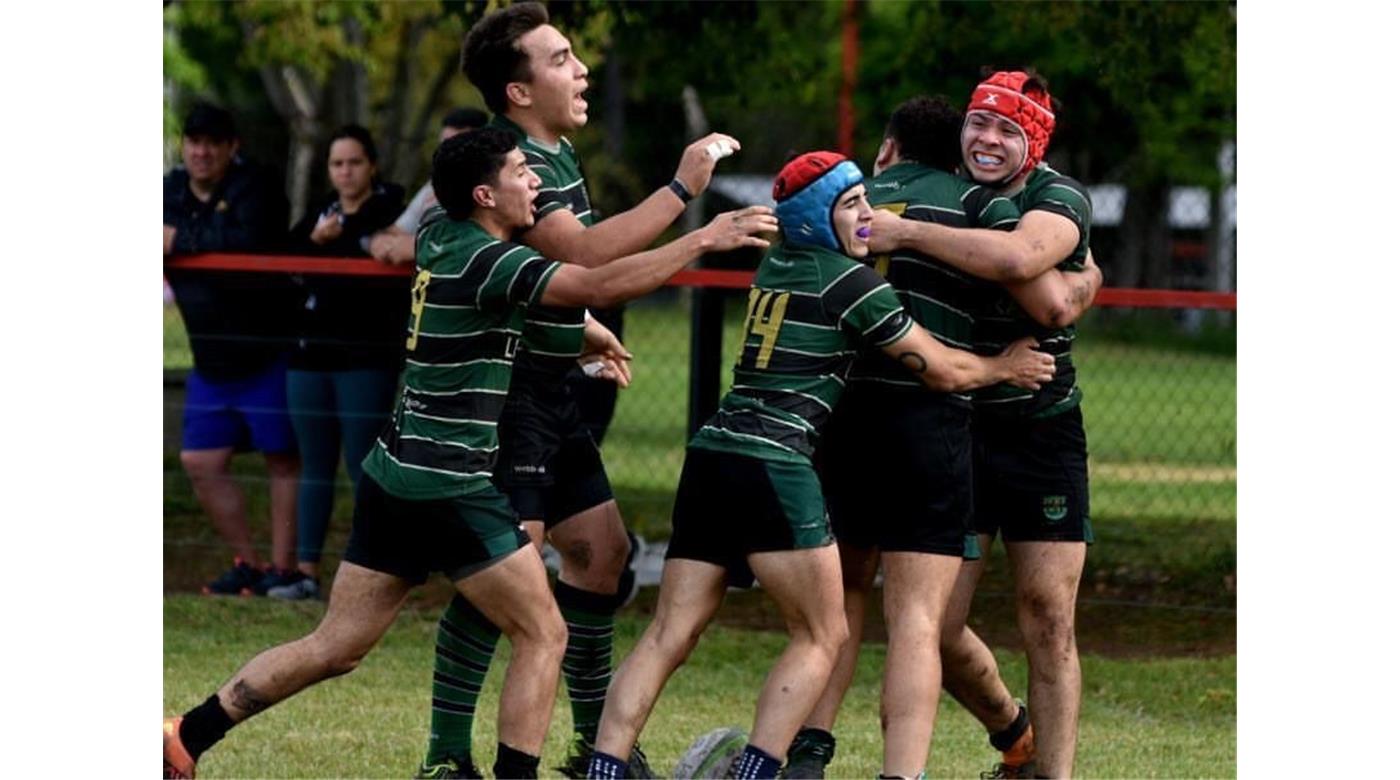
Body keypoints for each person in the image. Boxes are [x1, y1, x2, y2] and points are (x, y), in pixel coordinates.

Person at [162, 127, 777, 780]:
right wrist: (700, 233)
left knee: (335, 646)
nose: (534, 179)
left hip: (394, 473)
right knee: (544, 634)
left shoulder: (441, 234)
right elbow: (597, 282)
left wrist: (583, 335)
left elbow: (519, 310)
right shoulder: (493, 262)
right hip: (453, 486)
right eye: (520, 171)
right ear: (485, 193)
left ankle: (186, 736)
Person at [586, 152, 1056, 780]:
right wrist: (1005, 367)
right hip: (773, 462)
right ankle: (757, 772)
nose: (869, 217)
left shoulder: (775, 265)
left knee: (669, 632)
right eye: (852, 206)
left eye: (866, 200)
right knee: (824, 635)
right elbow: (940, 369)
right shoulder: (848, 281)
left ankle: (605, 768)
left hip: (711, 456)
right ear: (814, 219)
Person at [418, 4, 749, 776]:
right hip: (513, 401)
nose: (582, 69)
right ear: (519, 90)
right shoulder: (508, 162)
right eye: (561, 58)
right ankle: (443, 758)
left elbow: (561, 292)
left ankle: (598, 752)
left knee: (601, 557)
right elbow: (586, 259)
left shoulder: (555, 153)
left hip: (555, 388)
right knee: (505, 573)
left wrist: (584, 333)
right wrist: (681, 190)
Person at [780, 97, 1102, 779]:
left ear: (1036, 144)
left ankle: (1051, 774)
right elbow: (1055, 297)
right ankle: (1012, 731)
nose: (988, 138)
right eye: (978, 124)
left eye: (1009, 129)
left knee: (1047, 616)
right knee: (935, 627)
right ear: (955, 140)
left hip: (1038, 427)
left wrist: (908, 234)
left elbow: (1041, 288)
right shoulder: (955, 199)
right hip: (955, 419)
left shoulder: (1052, 197)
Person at [163, 102, 301, 597]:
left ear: (231, 147)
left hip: (267, 351)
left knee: (282, 456)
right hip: (210, 359)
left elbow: (252, 236)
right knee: (199, 460)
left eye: (212, 143)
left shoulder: (257, 186)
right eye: (193, 142)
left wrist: (179, 238)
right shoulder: (169, 189)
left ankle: (285, 572)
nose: (201, 152)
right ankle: (249, 562)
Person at [271, 124, 410, 600]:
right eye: (336, 164)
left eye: (353, 162)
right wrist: (317, 240)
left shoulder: (391, 206)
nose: (345, 172)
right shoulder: (321, 215)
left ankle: (371, 576)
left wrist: (339, 236)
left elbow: (376, 237)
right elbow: (288, 256)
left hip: (366, 360)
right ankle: (305, 571)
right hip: (311, 358)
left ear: (371, 165)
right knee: (315, 465)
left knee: (362, 464)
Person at [366, 107, 490, 265]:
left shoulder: (492, 188)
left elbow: (482, 242)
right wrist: (377, 241)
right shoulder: (434, 186)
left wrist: (420, 246)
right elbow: (397, 231)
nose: (447, 153)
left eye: (455, 146)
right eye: (443, 145)